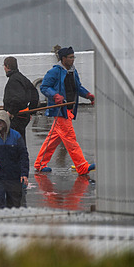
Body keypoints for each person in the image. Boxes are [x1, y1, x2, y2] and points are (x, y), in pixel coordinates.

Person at [34, 46, 96, 175]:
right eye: (70, 57)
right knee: (70, 138)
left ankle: (40, 164)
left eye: (73, 57)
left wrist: (88, 95)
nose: (73, 59)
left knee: (53, 139)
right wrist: (55, 95)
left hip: (69, 109)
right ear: (63, 59)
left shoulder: (73, 71)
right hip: (60, 111)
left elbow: (78, 87)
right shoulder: (54, 72)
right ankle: (82, 166)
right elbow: (44, 87)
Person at [0, 110, 29, 209]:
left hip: (14, 175)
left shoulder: (16, 136)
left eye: (0, 122)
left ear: (6, 122)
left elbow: (23, 156)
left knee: (14, 202)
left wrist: (24, 174)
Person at [2, 56, 39, 141]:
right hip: (24, 115)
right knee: (20, 139)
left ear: (7, 66)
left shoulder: (13, 80)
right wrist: (31, 111)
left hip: (17, 117)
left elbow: (17, 99)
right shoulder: (22, 78)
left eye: (4, 66)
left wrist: (10, 112)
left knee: (15, 141)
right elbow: (34, 94)